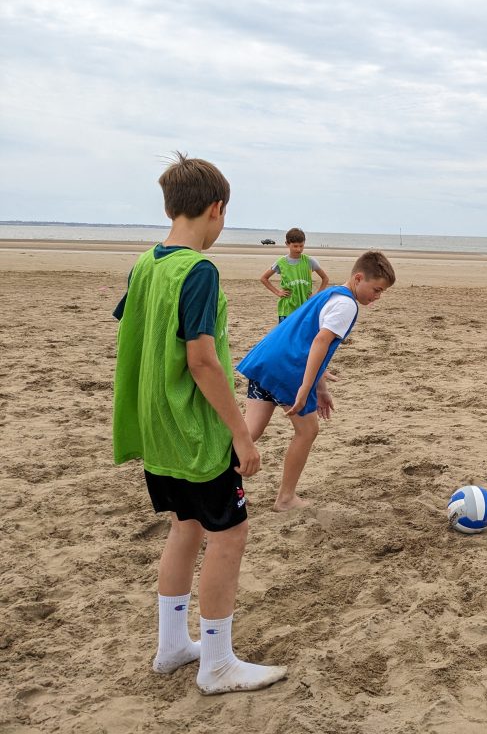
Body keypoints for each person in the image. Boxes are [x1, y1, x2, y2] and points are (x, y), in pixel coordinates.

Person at [112, 152, 287, 695]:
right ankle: (216, 662)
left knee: (185, 525)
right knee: (230, 533)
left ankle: (171, 647)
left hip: (157, 428)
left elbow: (134, 323)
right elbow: (203, 361)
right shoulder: (199, 270)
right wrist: (240, 433)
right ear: (216, 208)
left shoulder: (146, 264)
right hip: (194, 430)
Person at [238, 251, 396, 511]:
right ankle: (286, 498)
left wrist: (321, 387)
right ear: (358, 278)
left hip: (268, 359)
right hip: (289, 368)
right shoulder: (347, 305)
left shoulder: (330, 293)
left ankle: (206, 478)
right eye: (376, 289)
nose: (377, 296)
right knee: (308, 430)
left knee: (247, 433)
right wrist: (305, 386)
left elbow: (309, 336)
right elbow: (320, 341)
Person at [259, 227, 330, 322]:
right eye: (295, 246)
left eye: (301, 246)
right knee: (286, 331)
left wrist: (317, 296)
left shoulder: (309, 261)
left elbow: (325, 278)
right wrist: (278, 292)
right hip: (287, 308)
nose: (298, 249)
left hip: (306, 306)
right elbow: (264, 278)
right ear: (287, 244)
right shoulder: (281, 262)